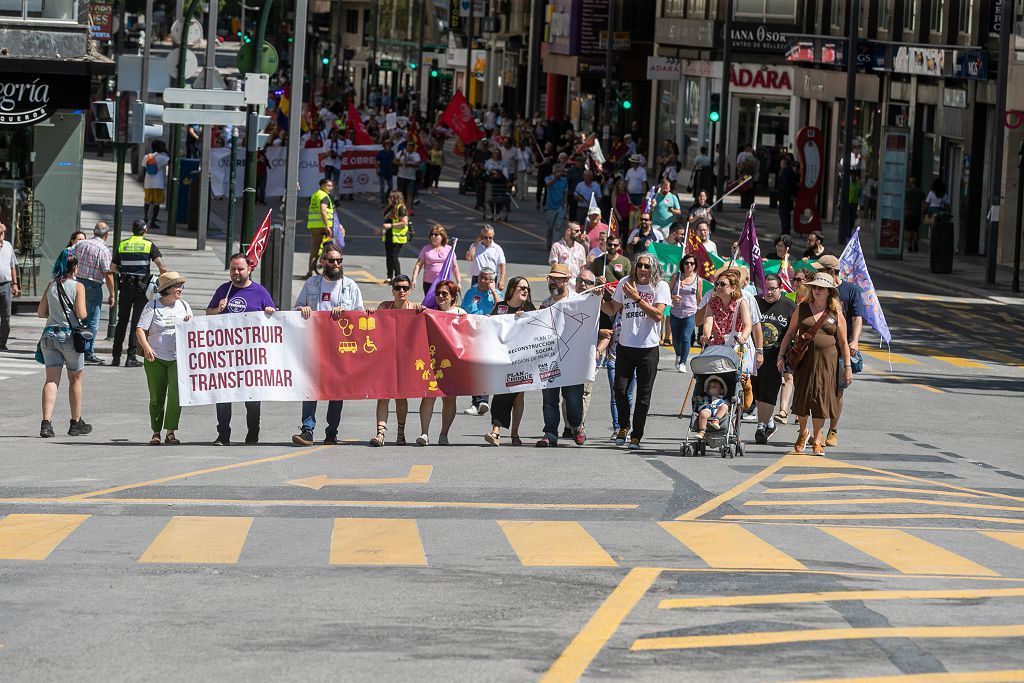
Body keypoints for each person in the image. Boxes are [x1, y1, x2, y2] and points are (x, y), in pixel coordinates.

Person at [292, 245, 364, 446]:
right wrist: (303, 308)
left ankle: (332, 431)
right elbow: (297, 306)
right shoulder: (312, 283)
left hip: (340, 347)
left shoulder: (350, 286)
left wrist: (347, 312)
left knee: (336, 390)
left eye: (339, 261)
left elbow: (360, 315)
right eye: (331, 260)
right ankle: (307, 430)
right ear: (323, 261)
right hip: (314, 344)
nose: (335, 264)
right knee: (310, 388)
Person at [777, 273, 852, 455]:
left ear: (829, 291)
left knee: (821, 399)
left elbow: (843, 342)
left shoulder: (836, 312)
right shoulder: (802, 308)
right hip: (804, 360)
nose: (816, 290)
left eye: (820, 288)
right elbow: (789, 333)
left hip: (828, 362)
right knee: (802, 397)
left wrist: (848, 367)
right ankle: (803, 432)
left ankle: (817, 439)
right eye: (814, 287)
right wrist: (781, 355)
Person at [206, 254, 277, 446]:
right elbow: (207, 314)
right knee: (223, 396)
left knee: (252, 398)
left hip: (251, 357)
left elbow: (275, 318)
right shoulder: (223, 290)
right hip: (226, 355)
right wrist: (217, 310)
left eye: (240, 269)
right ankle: (223, 435)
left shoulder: (260, 292)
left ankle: (253, 432)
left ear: (249, 269)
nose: (236, 273)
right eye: (232, 269)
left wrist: (270, 312)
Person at [610, 252, 671, 449]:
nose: (642, 270)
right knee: (619, 389)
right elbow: (612, 308)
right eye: (640, 266)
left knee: (643, 395)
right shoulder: (625, 283)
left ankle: (637, 434)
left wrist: (637, 299)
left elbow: (658, 315)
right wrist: (597, 298)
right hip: (625, 346)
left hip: (648, 348)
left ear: (653, 269)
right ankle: (623, 426)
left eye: (647, 266)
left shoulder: (660, 286)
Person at [36, 249, 91, 438]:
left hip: (49, 335)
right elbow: (82, 313)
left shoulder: (51, 285)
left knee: (51, 380)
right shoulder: (78, 287)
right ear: (74, 267)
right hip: (69, 336)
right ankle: (76, 422)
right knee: (75, 379)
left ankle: (46, 423)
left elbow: (41, 312)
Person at [135, 271, 193, 446]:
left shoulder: (184, 306)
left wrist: (190, 321)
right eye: (177, 286)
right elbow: (140, 329)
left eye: (181, 285)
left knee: (176, 396)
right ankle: (155, 432)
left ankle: (170, 432)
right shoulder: (152, 306)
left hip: (178, 359)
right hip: (156, 358)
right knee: (156, 397)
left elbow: (193, 330)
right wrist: (147, 348)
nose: (180, 289)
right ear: (167, 289)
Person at [812, 255, 864, 448]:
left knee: (837, 391)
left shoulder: (850, 290)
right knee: (817, 389)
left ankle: (833, 430)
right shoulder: (817, 287)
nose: (818, 273)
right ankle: (817, 431)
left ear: (832, 272)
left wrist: (855, 340)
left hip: (841, 349)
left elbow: (857, 318)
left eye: (822, 270)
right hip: (820, 348)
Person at [536, 263, 585, 447]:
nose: (553, 282)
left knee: (572, 399)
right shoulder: (546, 303)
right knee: (549, 399)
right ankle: (550, 433)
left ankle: (577, 426)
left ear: (566, 280)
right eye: (551, 278)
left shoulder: (578, 300)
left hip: (572, 359)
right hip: (549, 359)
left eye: (557, 278)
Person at [484, 277, 535, 446]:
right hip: (501, 359)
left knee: (518, 396)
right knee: (501, 393)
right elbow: (490, 327)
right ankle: (496, 430)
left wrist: (526, 318)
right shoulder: (500, 307)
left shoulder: (528, 308)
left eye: (527, 288)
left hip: (521, 360)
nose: (525, 291)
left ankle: (514, 433)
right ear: (512, 289)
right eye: (522, 288)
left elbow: (537, 329)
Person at [111, 219, 167, 367]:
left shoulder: (123, 244)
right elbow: (162, 267)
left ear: (132, 230)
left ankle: (116, 357)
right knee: (137, 323)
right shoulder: (148, 245)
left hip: (125, 287)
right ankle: (131, 358)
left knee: (121, 321)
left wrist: (124, 272)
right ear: (145, 230)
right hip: (142, 289)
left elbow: (112, 267)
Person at [416, 280, 466, 446]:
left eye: (445, 294)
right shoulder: (428, 312)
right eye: (438, 293)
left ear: (452, 297)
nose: (440, 297)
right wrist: (419, 313)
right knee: (429, 396)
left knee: (450, 399)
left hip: (453, 363)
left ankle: (444, 434)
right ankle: (424, 433)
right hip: (432, 360)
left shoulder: (461, 313)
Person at [368, 275, 416, 447]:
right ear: (393, 290)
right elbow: (372, 326)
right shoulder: (384, 306)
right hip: (385, 358)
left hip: (406, 359)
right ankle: (380, 433)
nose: (401, 291)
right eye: (397, 288)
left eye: (404, 287)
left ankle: (401, 434)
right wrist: (370, 314)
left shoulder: (416, 309)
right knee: (383, 396)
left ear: (410, 290)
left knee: (401, 398)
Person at [752, 273, 796, 444]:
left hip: (775, 356)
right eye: (766, 289)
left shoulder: (788, 306)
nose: (768, 293)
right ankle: (769, 422)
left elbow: (794, 333)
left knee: (768, 393)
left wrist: (786, 356)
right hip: (755, 355)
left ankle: (761, 427)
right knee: (757, 391)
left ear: (780, 288)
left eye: (772, 289)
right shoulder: (755, 302)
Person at [73, 222, 115, 364]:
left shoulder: (81, 244)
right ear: (107, 234)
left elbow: (67, 253)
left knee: (77, 316)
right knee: (92, 321)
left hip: (77, 282)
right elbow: (108, 274)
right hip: (92, 286)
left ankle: (75, 348)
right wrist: (112, 294)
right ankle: (88, 352)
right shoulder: (103, 250)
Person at [668, 254, 699, 372]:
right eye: (687, 263)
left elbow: (699, 298)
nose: (689, 265)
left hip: (690, 312)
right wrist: (672, 297)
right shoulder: (676, 277)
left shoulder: (698, 280)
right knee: (676, 339)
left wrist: (700, 313)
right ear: (683, 264)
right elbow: (667, 293)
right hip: (675, 312)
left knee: (686, 337)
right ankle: (678, 354)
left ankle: (683, 362)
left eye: (692, 263)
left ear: (695, 266)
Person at [412, 224, 460, 295]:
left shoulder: (449, 249)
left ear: (442, 237)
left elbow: (454, 266)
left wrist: (458, 282)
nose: (433, 236)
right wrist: (414, 279)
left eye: (436, 234)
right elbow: (418, 265)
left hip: (443, 282)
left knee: (442, 303)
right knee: (430, 304)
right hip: (428, 282)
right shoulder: (426, 249)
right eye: (432, 234)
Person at [377, 190, 411, 285]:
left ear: (395, 198)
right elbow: (386, 220)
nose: (389, 199)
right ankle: (389, 276)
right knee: (389, 256)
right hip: (389, 236)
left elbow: (404, 222)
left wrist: (391, 226)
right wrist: (381, 229)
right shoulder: (390, 208)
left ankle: (398, 277)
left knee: (394, 257)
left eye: (391, 197)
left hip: (397, 237)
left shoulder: (401, 208)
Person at [305, 178, 335, 278]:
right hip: (323, 227)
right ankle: (326, 271)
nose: (331, 188)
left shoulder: (315, 195)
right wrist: (327, 226)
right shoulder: (324, 196)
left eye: (331, 186)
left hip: (314, 226)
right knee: (327, 249)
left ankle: (310, 271)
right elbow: (323, 210)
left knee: (314, 249)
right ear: (322, 185)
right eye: (328, 186)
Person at [0, 221, 21, 352]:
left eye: (2, 233)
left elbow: (12, 266)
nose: (1, 235)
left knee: (6, 316)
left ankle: (2, 343)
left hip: (5, 285)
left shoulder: (8, 246)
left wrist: (15, 283)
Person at [142, 140, 170, 229]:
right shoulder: (162, 158)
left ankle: (146, 217)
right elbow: (170, 160)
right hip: (158, 183)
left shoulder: (147, 156)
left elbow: (144, 167)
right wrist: (166, 151)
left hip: (148, 183)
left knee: (147, 201)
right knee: (156, 203)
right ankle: (153, 220)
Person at [548, 222, 587, 286]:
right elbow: (554, 267)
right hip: (561, 284)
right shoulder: (557, 246)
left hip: (575, 285)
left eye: (580, 231)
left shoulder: (581, 248)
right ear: (568, 231)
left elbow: (582, 268)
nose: (579, 233)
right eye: (577, 231)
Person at [543, 165, 569, 250]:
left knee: (559, 227)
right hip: (550, 207)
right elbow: (548, 184)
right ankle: (548, 244)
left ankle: (556, 246)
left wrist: (565, 203)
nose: (561, 173)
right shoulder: (548, 178)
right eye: (560, 171)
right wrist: (555, 178)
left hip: (560, 207)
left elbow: (566, 192)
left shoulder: (564, 180)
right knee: (550, 227)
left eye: (562, 172)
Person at [396, 141, 421, 211]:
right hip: (401, 176)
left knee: (410, 193)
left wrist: (409, 164)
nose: (410, 147)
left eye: (412, 146)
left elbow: (418, 163)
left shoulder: (416, 154)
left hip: (411, 177)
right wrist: (401, 163)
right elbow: (395, 161)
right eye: (409, 145)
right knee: (400, 194)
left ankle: (409, 209)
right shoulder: (401, 153)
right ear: (406, 146)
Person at [776, 158, 797, 235]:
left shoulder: (784, 172)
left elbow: (784, 185)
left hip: (784, 196)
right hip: (789, 196)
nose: (780, 165)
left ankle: (785, 230)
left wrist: (782, 192)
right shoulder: (791, 171)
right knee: (787, 214)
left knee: (783, 213)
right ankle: (787, 230)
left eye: (781, 163)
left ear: (784, 164)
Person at [904, 176, 925, 253]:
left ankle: (909, 246)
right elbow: (923, 202)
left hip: (909, 213)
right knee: (915, 230)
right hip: (917, 213)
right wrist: (923, 212)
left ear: (910, 182)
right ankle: (915, 244)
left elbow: (905, 201)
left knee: (909, 230)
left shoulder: (908, 191)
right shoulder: (920, 191)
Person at [376, 139, 397, 206]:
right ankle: (382, 202)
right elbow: (376, 160)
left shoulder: (392, 153)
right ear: (384, 145)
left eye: (389, 144)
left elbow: (394, 160)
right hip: (382, 171)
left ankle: (386, 197)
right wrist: (377, 169)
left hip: (389, 171)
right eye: (387, 144)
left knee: (390, 186)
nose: (388, 145)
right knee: (382, 187)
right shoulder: (381, 152)